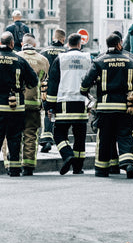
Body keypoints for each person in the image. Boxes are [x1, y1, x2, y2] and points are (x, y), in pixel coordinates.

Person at [81, 33, 133, 179]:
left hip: (105, 108)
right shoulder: (131, 61)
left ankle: (102, 170)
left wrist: (84, 92)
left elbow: (85, 83)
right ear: (119, 43)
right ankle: (128, 163)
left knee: (104, 137)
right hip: (124, 107)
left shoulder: (99, 60)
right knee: (125, 135)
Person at [0, 32, 38, 178]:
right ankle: (15, 169)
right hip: (16, 108)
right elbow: (33, 81)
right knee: (14, 137)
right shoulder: (20, 60)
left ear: (0, 42)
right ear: (12, 44)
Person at [46, 33, 93, 175]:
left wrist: (50, 106)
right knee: (80, 137)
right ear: (80, 44)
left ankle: (67, 155)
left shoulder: (61, 58)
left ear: (68, 44)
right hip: (81, 102)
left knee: (59, 134)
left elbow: (53, 84)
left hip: (64, 102)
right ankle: (78, 168)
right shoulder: (87, 58)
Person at [16, 33, 50, 176]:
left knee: (15, 134)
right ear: (35, 45)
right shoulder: (43, 60)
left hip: (16, 103)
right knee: (31, 135)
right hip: (34, 103)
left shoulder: (16, 56)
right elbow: (45, 81)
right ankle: (28, 166)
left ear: (22, 44)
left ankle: (14, 164)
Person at [38, 28, 66, 153]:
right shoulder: (66, 52)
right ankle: (62, 140)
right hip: (63, 87)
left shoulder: (44, 51)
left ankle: (46, 140)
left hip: (47, 87)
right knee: (62, 114)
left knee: (47, 112)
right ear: (63, 39)